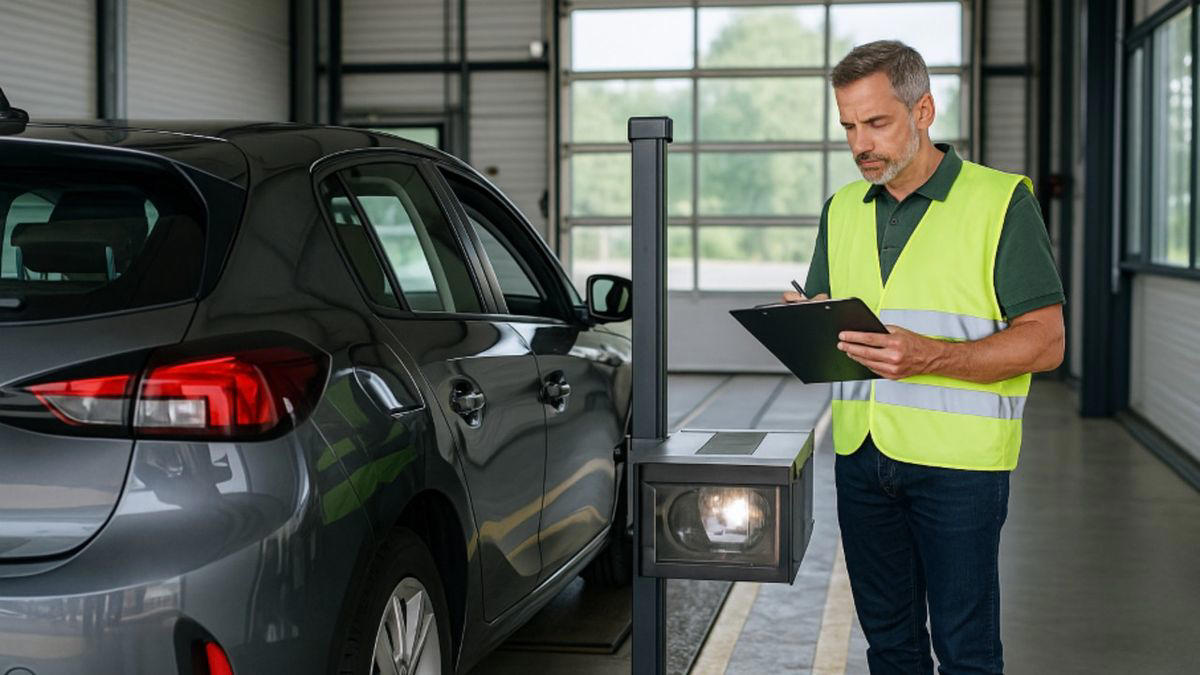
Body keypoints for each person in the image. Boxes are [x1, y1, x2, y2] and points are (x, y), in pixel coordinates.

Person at [783, 41, 1065, 674]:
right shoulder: (841, 211)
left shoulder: (999, 203)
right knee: (890, 647)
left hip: (959, 468)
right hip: (861, 460)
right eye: (849, 127)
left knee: (965, 652)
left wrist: (933, 357)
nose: (861, 144)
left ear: (924, 111)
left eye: (877, 123)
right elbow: (839, 329)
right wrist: (808, 324)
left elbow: (1046, 342)